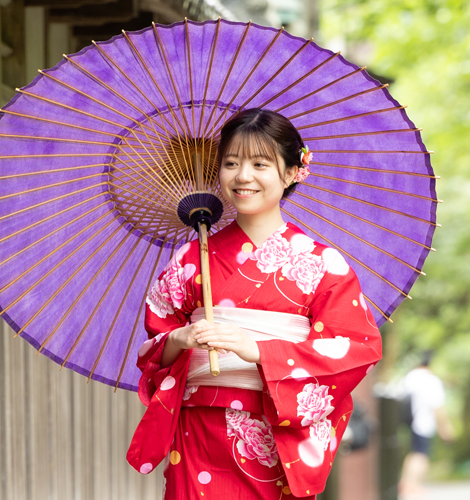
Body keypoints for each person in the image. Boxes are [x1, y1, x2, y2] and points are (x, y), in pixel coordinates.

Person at [127, 108, 383, 499]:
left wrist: (260, 351)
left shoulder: (322, 265)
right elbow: (155, 348)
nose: (243, 176)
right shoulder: (190, 259)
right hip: (198, 433)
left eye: (260, 164)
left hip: (275, 434)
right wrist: (179, 340)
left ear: (293, 171)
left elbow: (355, 349)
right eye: (231, 163)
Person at [398, 352, 454, 499]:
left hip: (410, 421)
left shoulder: (410, 377)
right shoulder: (431, 380)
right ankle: (414, 485)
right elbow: (438, 406)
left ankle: (405, 482)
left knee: (414, 452)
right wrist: (444, 427)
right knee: (421, 454)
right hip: (424, 423)